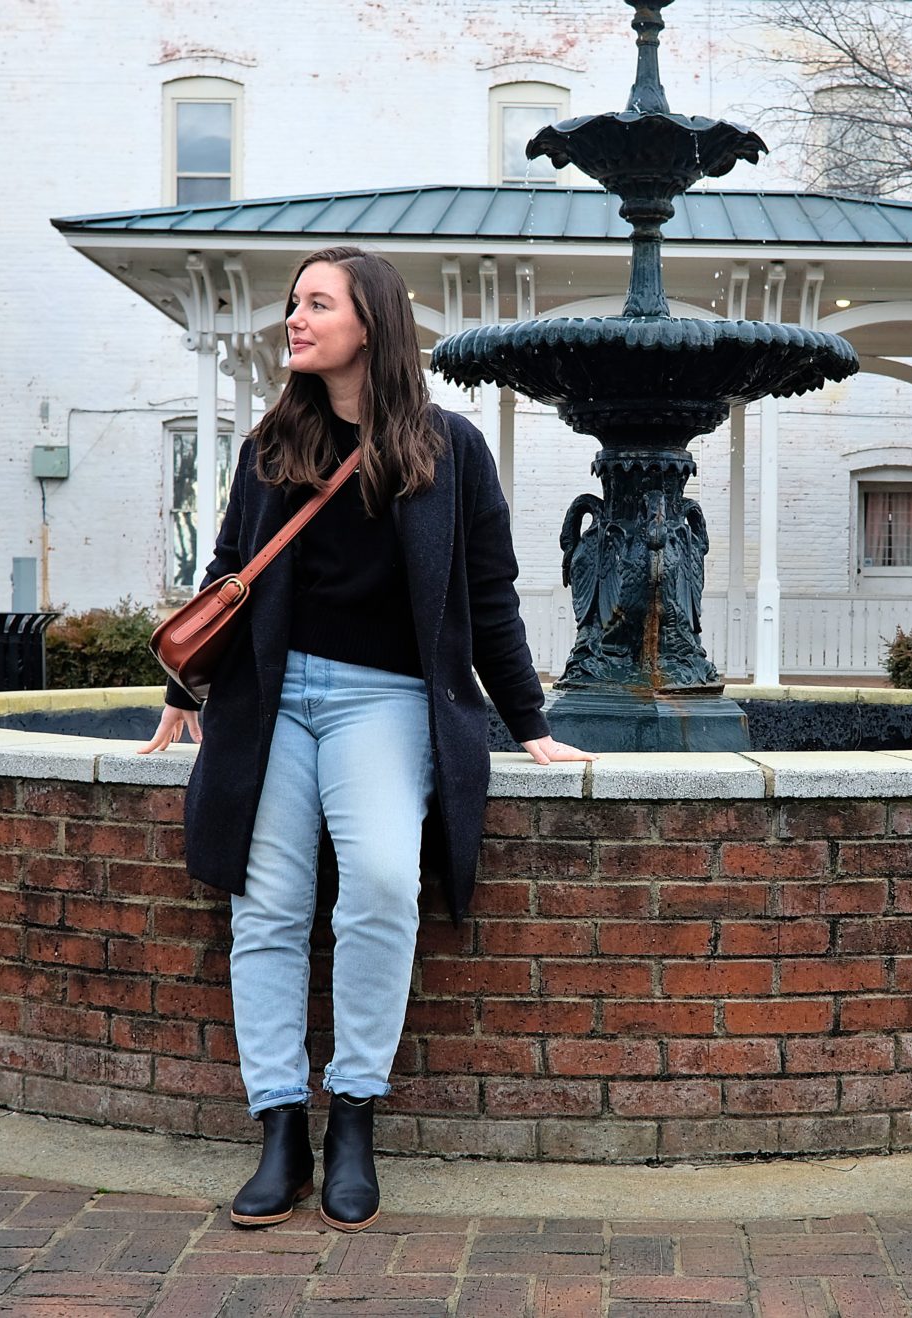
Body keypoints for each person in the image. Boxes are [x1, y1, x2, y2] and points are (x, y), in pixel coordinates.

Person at [138, 245, 592, 1233]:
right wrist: (185, 685)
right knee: (268, 907)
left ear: (369, 324)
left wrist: (531, 723)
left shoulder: (450, 450)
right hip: (271, 701)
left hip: (383, 703)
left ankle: (353, 1116)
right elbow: (229, 570)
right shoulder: (273, 443)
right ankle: (278, 1130)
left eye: (315, 304)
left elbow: (487, 598)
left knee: (383, 881)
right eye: (293, 304)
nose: (293, 320)